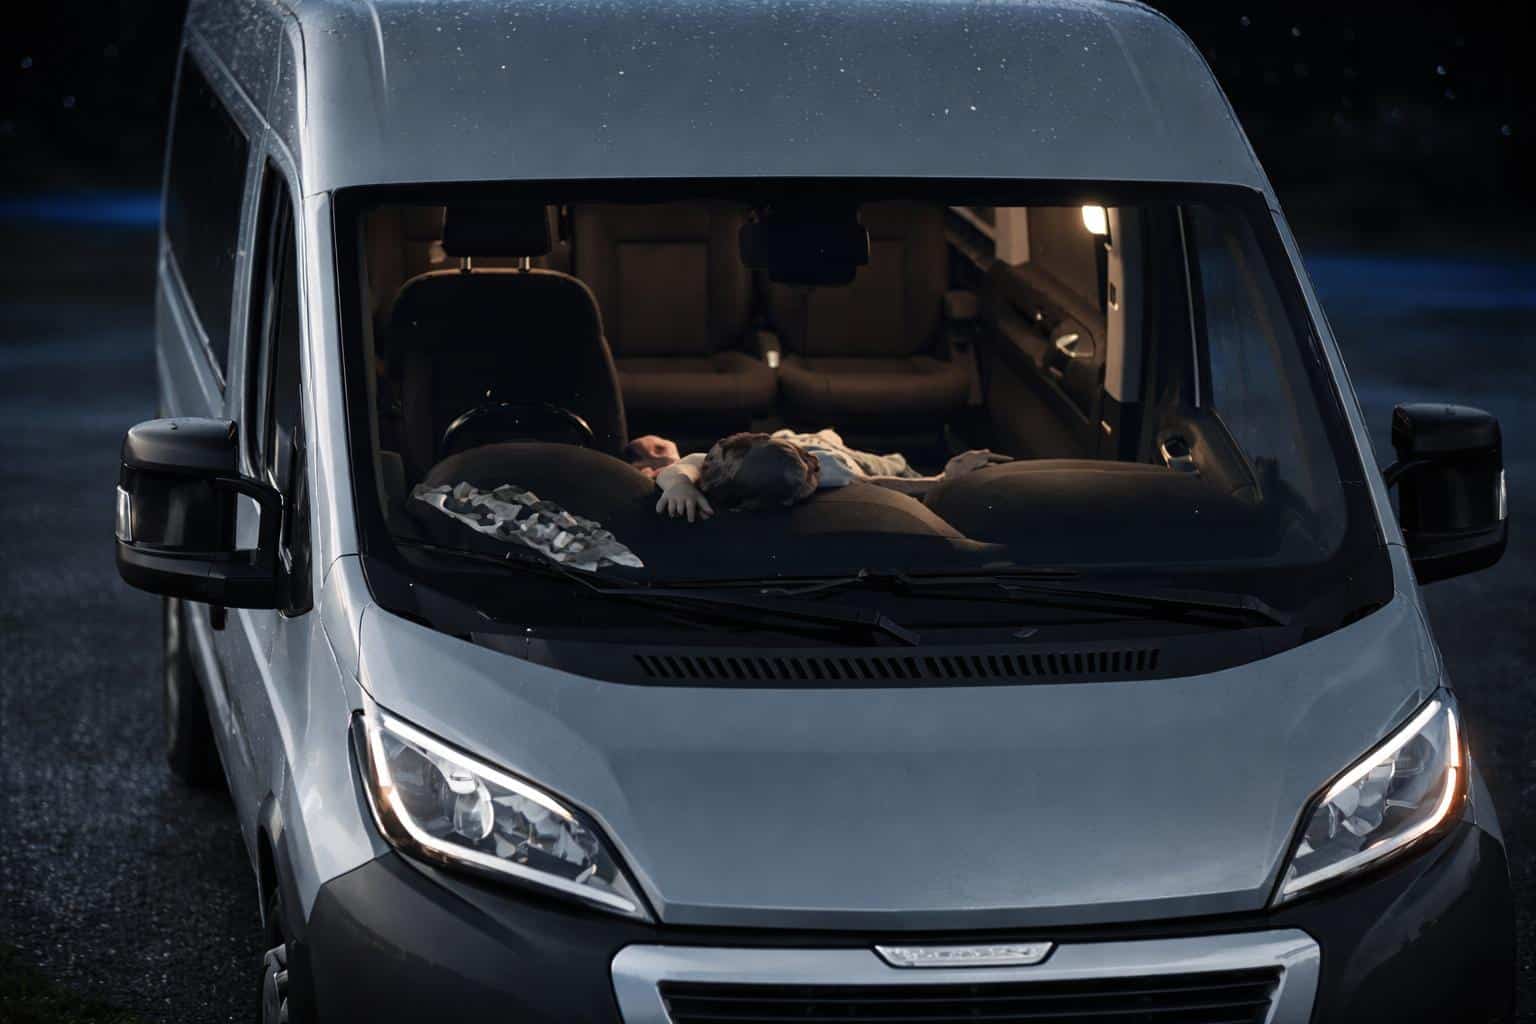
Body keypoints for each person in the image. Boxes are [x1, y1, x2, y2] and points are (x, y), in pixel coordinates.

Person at [626, 429, 1010, 522]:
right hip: (852, 460)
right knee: (889, 466)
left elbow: (682, 467)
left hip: (808, 444)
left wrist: (679, 484)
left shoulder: (715, 472)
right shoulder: (827, 472)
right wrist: (942, 479)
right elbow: (878, 484)